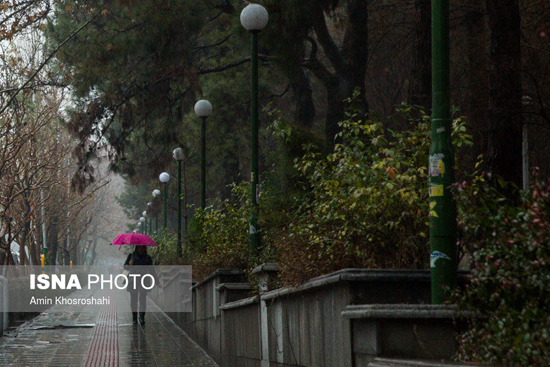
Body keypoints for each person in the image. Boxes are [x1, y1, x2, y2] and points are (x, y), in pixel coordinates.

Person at [123, 245, 162, 325]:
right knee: (133, 300)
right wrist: (129, 264)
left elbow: (151, 270)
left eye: (143, 247)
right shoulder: (131, 256)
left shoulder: (147, 258)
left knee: (142, 299)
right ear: (136, 248)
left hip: (144, 280)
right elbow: (125, 267)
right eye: (139, 247)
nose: (141, 249)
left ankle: (141, 317)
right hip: (133, 280)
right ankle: (134, 317)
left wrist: (157, 282)